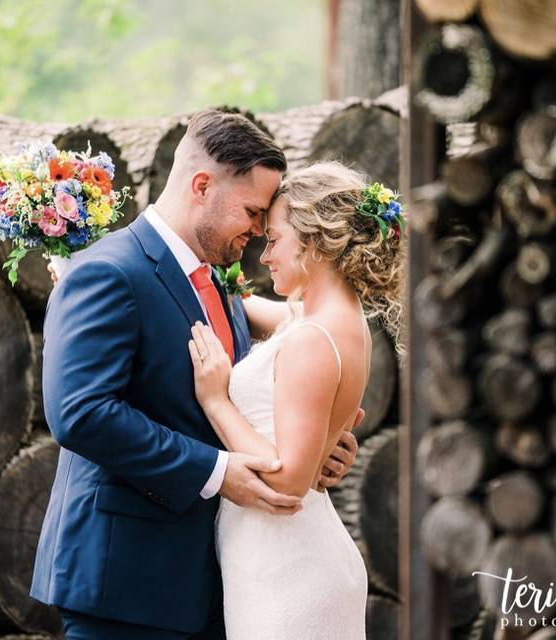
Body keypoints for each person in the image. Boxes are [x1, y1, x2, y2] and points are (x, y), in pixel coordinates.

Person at [30, 110, 361, 639]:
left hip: (213, 584)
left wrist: (317, 444)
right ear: (202, 186)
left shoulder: (221, 286)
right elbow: (80, 412)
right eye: (253, 212)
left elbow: (253, 388)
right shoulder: (108, 271)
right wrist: (216, 471)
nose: (257, 233)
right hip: (127, 582)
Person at [188, 161, 404, 639]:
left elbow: (288, 482)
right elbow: (235, 305)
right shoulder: (328, 321)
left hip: (288, 571)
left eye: (275, 239)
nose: (264, 257)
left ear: (315, 240)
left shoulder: (313, 338)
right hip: (276, 559)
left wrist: (215, 399)